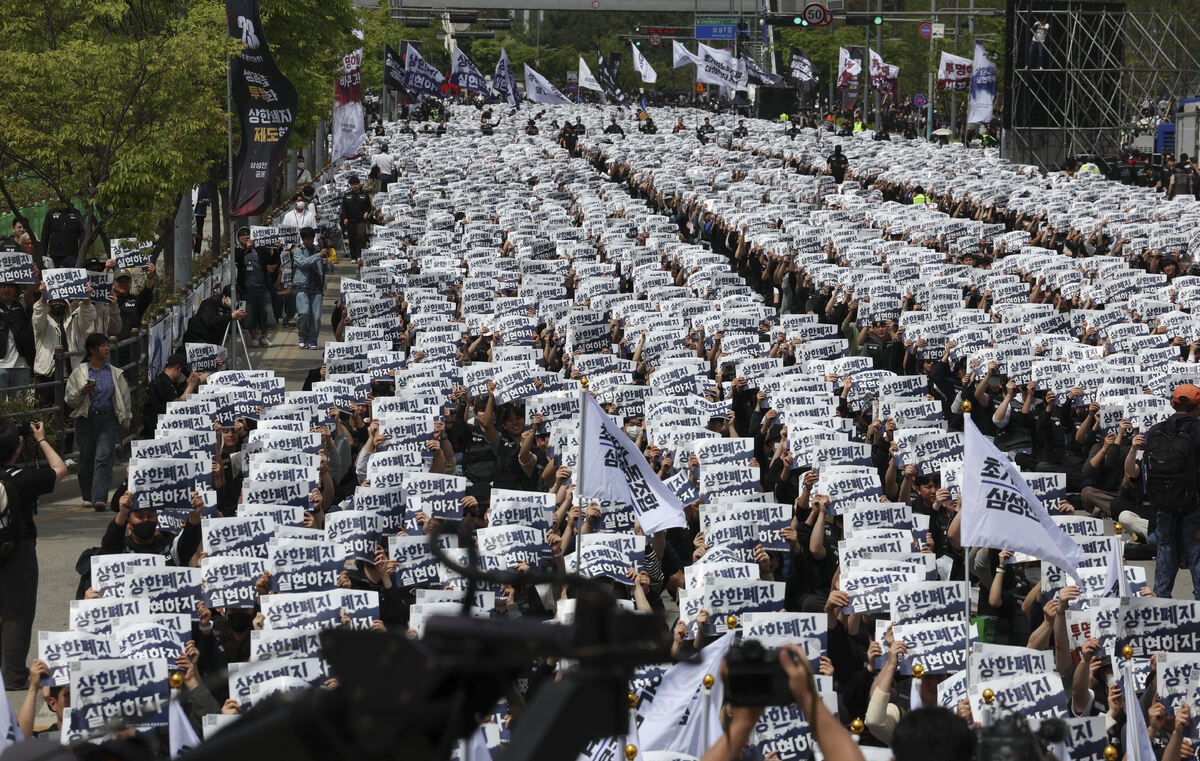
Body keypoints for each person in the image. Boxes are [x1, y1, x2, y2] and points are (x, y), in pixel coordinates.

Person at [0, 422, 66, 690]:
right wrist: (41, 440)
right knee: (17, 612)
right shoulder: (20, 478)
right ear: (17, 450)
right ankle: (15, 676)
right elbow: (59, 470)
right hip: (16, 551)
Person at [1130, 383, 1200, 598]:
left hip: (1163, 504)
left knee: (1165, 552)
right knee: (1196, 553)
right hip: (1194, 505)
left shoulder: (1155, 430)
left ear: (1172, 404)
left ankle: (1160, 602)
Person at [65, 333, 131, 512]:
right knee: (87, 459)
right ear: (92, 350)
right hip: (86, 419)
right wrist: (82, 391)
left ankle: (100, 498)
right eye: (102, 346)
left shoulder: (115, 373)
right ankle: (87, 495)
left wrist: (125, 420)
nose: (107, 348)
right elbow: (69, 399)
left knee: (104, 457)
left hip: (108, 419)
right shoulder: (79, 372)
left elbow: (124, 397)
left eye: (107, 345)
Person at [31, 282, 95, 400]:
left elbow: (88, 318)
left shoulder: (74, 320)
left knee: (69, 414)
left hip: (70, 376)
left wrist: (86, 300)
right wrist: (43, 297)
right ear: (48, 304)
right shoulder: (42, 322)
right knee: (46, 415)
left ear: (66, 304)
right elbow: (38, 313)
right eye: (54, 301)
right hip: (47, 376)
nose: (57, 304)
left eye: (61, 301)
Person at [143, 352, 205, 437]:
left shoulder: (171, 382)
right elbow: (177, 406)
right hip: (157, 433)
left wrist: (213, 370)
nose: (184, 376)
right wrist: (190, 386)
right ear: (178, 368)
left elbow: (196, 382)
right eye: (183, 371)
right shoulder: (163, 382)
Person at [232, 227, 276, 347]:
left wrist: (278, 249)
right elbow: (238, 260)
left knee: (266, 312)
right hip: (247, 289)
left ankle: (264, 337)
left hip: (263, 287)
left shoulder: (260, 249)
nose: (246, 237)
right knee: (250, 314)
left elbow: (271, 260)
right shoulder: (237, 251)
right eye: (242, 235)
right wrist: (246, 248)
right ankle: (254, 338)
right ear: (238, 239)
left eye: (248, 235)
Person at [292, 227, 332, 350]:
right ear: (303, 239)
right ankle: (302, 336)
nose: (309, 241)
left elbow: (328, 269)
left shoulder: (318, 249)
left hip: (317, 287)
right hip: (302, 286)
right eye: (307, 239)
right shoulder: (298, 250)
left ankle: (312, 340)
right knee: (303, 312)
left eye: (311, 238)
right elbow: (303, 263)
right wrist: (318, 256)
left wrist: (326, 263)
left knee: (316, 316)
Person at [181, 286, 246, 346]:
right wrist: (230, 316)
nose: (236, 302)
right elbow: (211, 321)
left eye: (238, 299)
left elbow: (230, 329)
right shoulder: (210, 302)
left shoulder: (231, 308)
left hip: (214, 341)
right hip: (198, 339)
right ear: (224, 296)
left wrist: (238, 319)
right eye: (234, 299)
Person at [0, 280, 35, 391]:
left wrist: (32, 276)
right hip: (1, 366)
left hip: (22, 365)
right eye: (3, 286)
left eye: (10, 286)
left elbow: (30, 293)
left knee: (22, 404)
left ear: (16, 289)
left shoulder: (21, 305)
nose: (7, 290)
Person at [338, 175, 373, 262]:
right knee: (352, 238)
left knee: (361, 236)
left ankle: (360, 256)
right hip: (350, 221)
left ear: (359, 184)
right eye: (352, 184)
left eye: (356, 184)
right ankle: (353, 257)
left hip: (361, 221)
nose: (354, 186)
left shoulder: (364, 195)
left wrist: (367, 213)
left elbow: (369, 207)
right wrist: (345, 218)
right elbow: (344, 209)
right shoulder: (347, 196)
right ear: (350, 185)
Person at [192, 184, 210, 254]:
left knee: (198, 232)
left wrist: (205, 201)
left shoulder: (204, 185)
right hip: (188, 211)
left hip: (199, 212)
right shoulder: (188, 183)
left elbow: (209, 198)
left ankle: (197, 251)